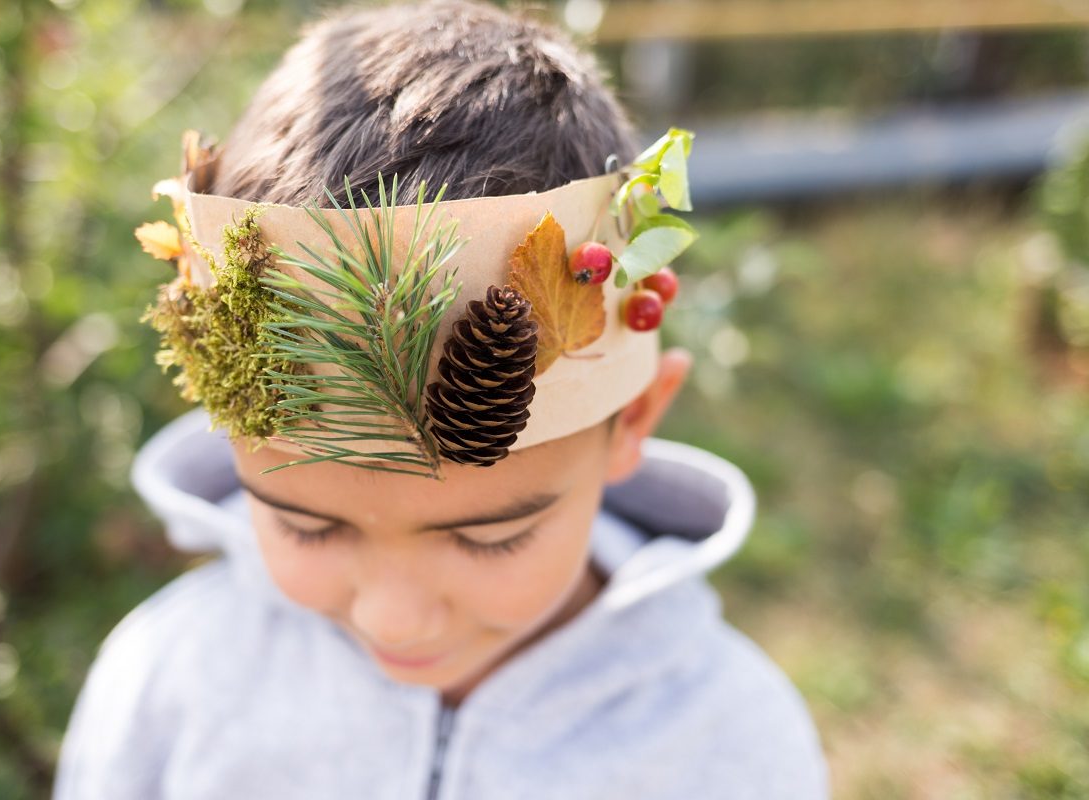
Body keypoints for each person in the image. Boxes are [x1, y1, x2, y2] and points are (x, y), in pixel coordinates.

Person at [53, 1, 829, 797]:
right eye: (305, 527)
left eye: (490, 540)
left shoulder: (728, 744)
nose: (394, 618)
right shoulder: (170, 682)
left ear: (633, 418)